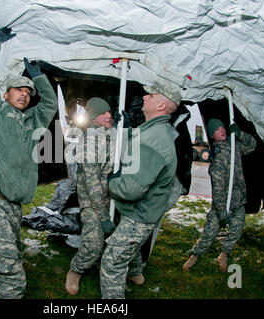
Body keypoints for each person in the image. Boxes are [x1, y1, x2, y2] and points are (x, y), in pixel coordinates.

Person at [0, 27, 58, 299]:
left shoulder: (30, 123)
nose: (24, 94)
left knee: (11, 254)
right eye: (18, 89)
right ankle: (7, 285)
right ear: (5, 93)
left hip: (13, 206)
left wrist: (39, 77)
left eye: (28, 93)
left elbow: (49, 105)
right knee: (12, 274)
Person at [100, 82, 180, 299]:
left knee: (112, 263)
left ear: (161, 105)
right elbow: (136, 144)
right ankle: (136, 274)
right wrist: (125, 129)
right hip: (141, 211)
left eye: (151, 95)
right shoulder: (154, 130)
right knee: (130, 247)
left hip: (139, 215)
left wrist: (111, 181)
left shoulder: (155, 140)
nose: (144, 98)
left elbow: (130, 190)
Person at [183, 118, 256, 272]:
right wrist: (222, 211)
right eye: (217, 129)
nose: (222, 130)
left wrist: (240, 134)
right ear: (212, 136)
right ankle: (195, 256)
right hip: (222, 204)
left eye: (222, 127)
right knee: (209, 233)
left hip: (238, 200)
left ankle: (223, 254)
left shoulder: (234, 145)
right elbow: (218, 188)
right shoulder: (217, 157)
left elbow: (252, 145)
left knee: (237, 229)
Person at [65, 97, 117, 295]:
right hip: (93, 202)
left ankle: (131, 269)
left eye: (110, 112)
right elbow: (92, 183)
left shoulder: (110, 135)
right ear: (93, 118)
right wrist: (103, 216)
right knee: (93, 245)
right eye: (103, 113)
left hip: (113, 199)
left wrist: (124, 126)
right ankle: (75, 270)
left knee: (122, 239)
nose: (109, 116)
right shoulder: (87, 143)